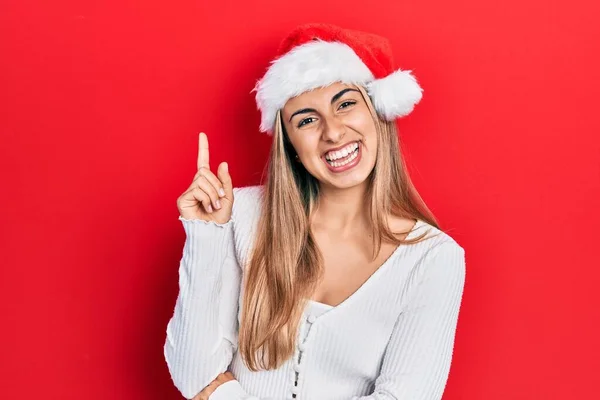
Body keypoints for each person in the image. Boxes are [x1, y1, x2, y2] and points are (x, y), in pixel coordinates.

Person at [164, 23, 466, 400]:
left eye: (346, 104)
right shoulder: (238, 216)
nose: (333, 132)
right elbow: (193, 372)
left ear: (378, 112)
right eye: (306, 119)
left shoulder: (433, 259)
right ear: (289, 143)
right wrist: (206, 237)